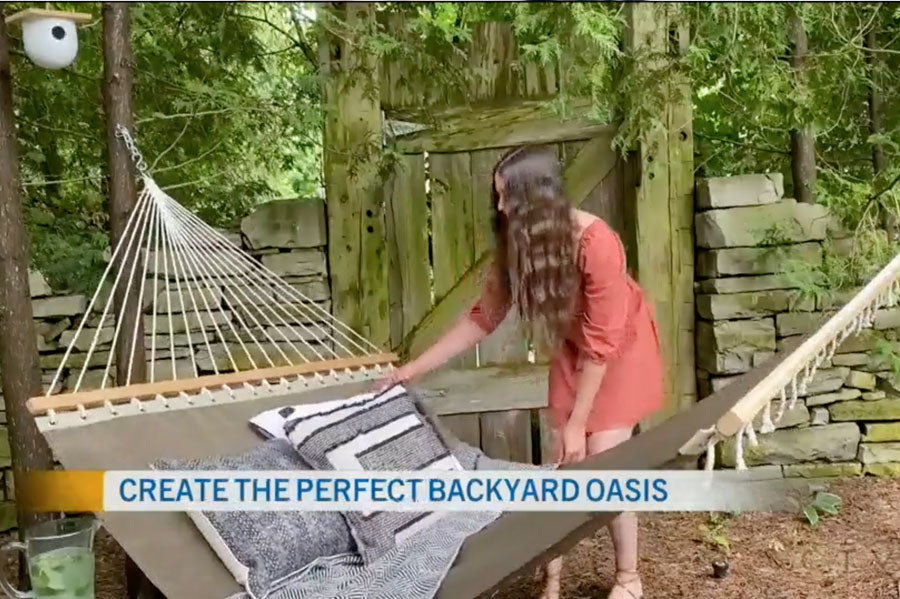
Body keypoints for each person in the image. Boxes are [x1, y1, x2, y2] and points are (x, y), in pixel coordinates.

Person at [375, 144, 663, 599]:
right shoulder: (517, 243)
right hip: (577, 353)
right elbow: (481, 317)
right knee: (565, 464)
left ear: (539, 198)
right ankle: (550, 576)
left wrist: (579, 422)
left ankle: (629, 577)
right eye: (498, 196)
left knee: (603, 460)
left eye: (509, 197)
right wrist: (411, 368)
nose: (501, 207)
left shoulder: (596, 242)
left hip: (619, 353)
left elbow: (603, 344)